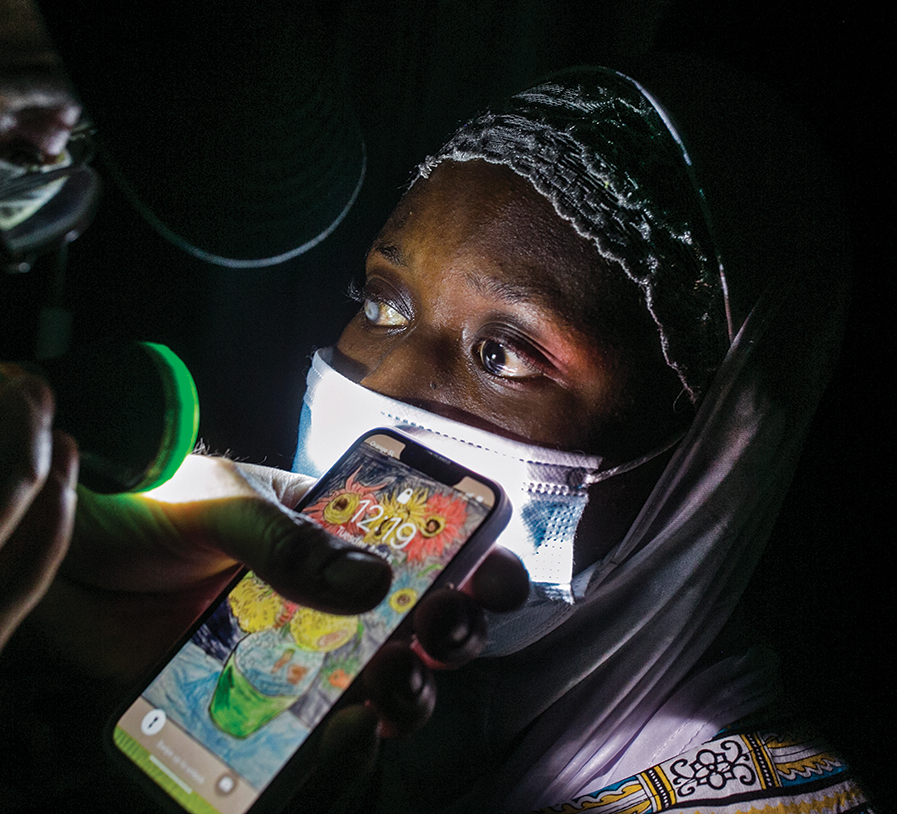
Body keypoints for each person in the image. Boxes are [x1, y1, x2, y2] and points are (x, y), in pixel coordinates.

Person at [271, 61, 868, 812]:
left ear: (710, 454)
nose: (382, 389)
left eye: (505, 354)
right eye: (385, 304)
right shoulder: (324, 703)